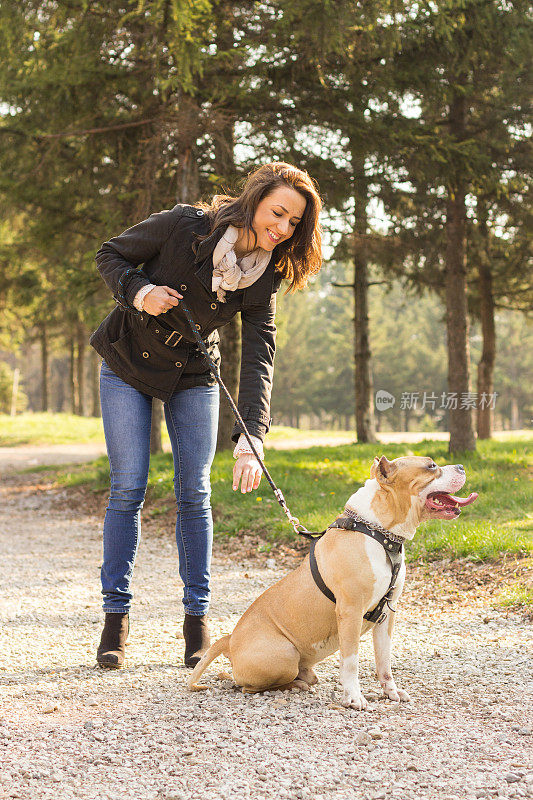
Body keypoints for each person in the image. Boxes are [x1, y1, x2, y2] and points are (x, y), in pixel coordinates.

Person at [89, 162, 323, 669]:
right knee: (129, 486)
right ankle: (115, 619)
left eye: (292, 223)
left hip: (193, 370)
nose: (281, 228)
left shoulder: (267, 272)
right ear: (256, 200)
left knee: (194, 491)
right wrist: (139, 292)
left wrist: (252, 435)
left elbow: (261, 349)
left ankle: (197, 622)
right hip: (127, 359)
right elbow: (110, 254)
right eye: (277, 212)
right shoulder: (184, 224)